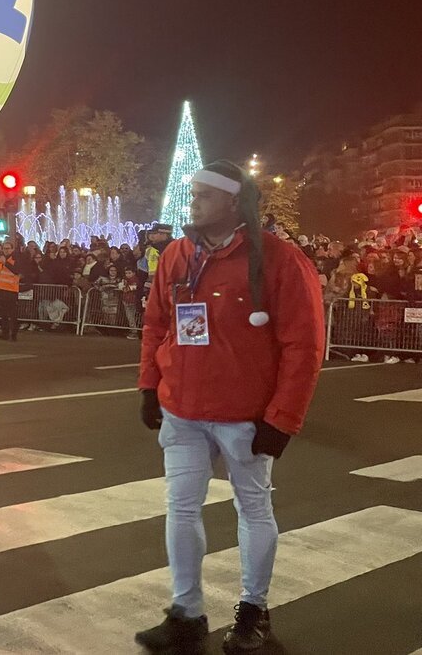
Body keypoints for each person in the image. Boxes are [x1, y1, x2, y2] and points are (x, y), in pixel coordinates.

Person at [135, 161, 324, 655]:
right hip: (183, 410)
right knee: (180, 508)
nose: (191, 200)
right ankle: (186, 611)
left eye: (202, 194)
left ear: (233, 203)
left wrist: (282, 418)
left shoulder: (279, 259)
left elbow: (304, 345)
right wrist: (149, 386)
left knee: (254, 508)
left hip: (245, 415)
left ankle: (253, 610)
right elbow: (157, 325)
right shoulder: (178, 254)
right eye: (191, 192)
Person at [0, 240, 23, 341]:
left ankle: (13, 335)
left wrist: (5, 263)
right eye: (4, 248)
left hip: (11, 290)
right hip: (1, 289)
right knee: (3, 314)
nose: (6, 250)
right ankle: (4, 333)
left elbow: (17, 271)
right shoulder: (0, 260)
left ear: (12, 249)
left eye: (8, 248)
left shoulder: (15, 259)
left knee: (13, 314)